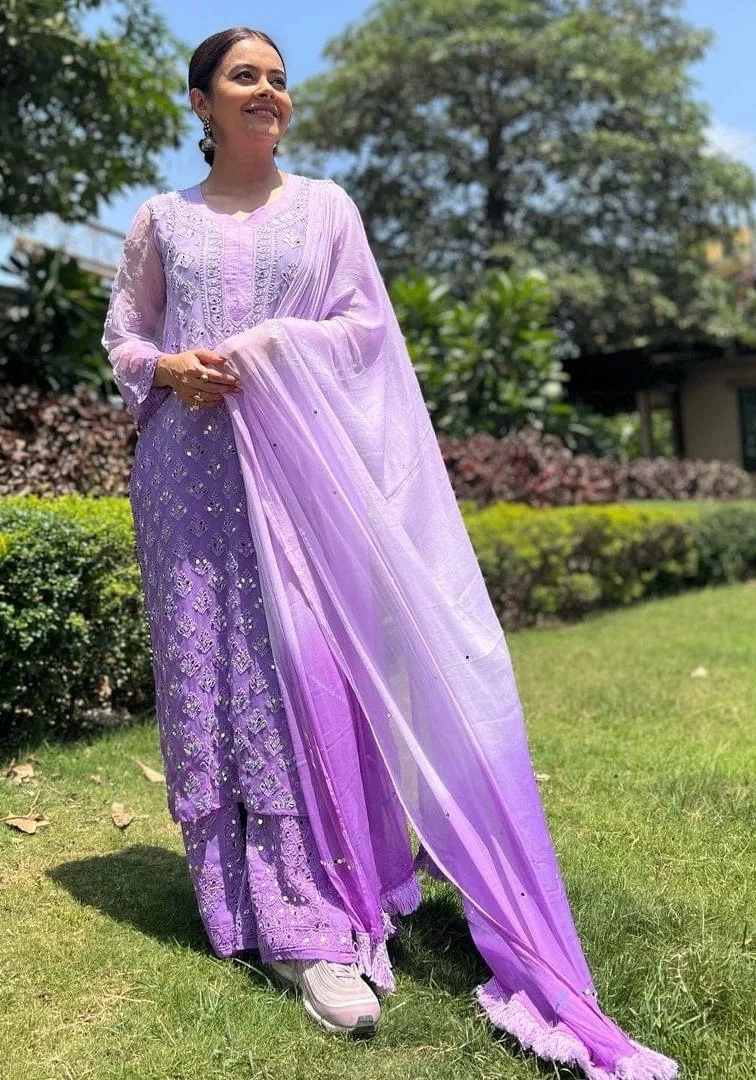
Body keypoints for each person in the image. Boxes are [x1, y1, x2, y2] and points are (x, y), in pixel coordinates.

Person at [101, 26, 679, 1079]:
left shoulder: (327, 210)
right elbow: (125, 338)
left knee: (304, 677)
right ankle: (238, 901)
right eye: (244, 77)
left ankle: (316, 915)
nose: (268, 92)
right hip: (187, 480)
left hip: (305, 490)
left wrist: (273, 348)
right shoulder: (161, 221)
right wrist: (169, 367)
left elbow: (366, 334)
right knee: (210, 673)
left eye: (279, 79)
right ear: (200, 101)